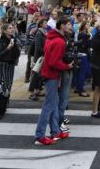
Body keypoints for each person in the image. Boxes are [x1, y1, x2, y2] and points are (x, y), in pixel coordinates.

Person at [34, 17, 75, 146]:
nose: (70, 27)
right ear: (62, 26)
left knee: (53, 103)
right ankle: (40, 136)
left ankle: (55, 132)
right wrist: (66, 66)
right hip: (52, 75)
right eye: (68, 24)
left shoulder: (52, 37)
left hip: (50, 74)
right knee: (49, 105)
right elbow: (53, 62)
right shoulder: (59, 41)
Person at [28, 19, 48, 101]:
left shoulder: (43, 32)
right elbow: (38, 47)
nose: (46, 24)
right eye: (45, 23)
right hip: (38, 57)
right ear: (41, 24)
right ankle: (32, 93)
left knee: (39, 75)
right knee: (35, 75)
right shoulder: (39, 33)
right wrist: (46, 51)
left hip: (42, 56)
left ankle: (37, 90)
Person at [73, 21, 91, 97]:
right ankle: (81, 90)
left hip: (81, 53)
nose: (88, 25)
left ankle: (78, 87)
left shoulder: (83, 33)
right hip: (83, 54)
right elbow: (85, 43)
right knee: (83, 73)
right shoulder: (84, 34)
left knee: (79, 72)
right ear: (83, 25)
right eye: (87, 24)